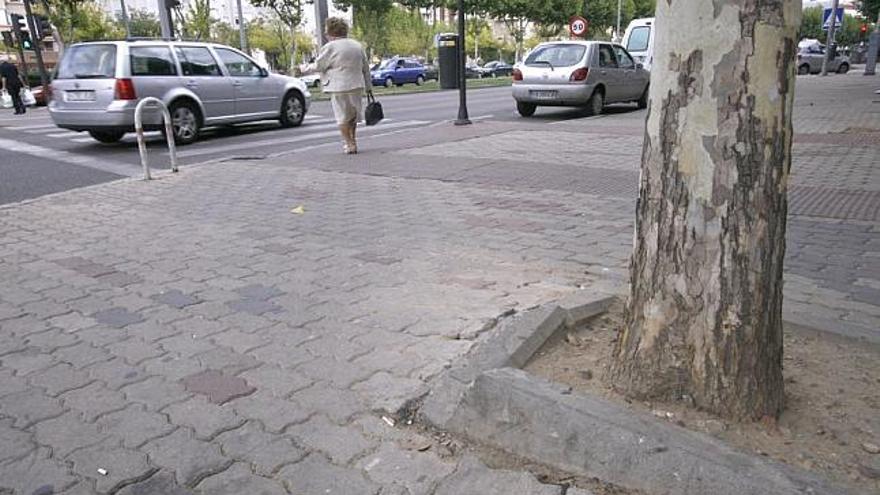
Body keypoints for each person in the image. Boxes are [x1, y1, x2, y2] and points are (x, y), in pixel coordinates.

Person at [313, 17, 372, 154]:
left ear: (330, 32)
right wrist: (369, 86)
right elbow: (366, 68)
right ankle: (353, 140)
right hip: (356, 84)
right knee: (352, 115)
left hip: (338, 86)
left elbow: (319, 65)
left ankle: (349, 143)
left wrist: (303, 69)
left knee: (342, 116)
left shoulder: (330, 47)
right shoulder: (357, 45)